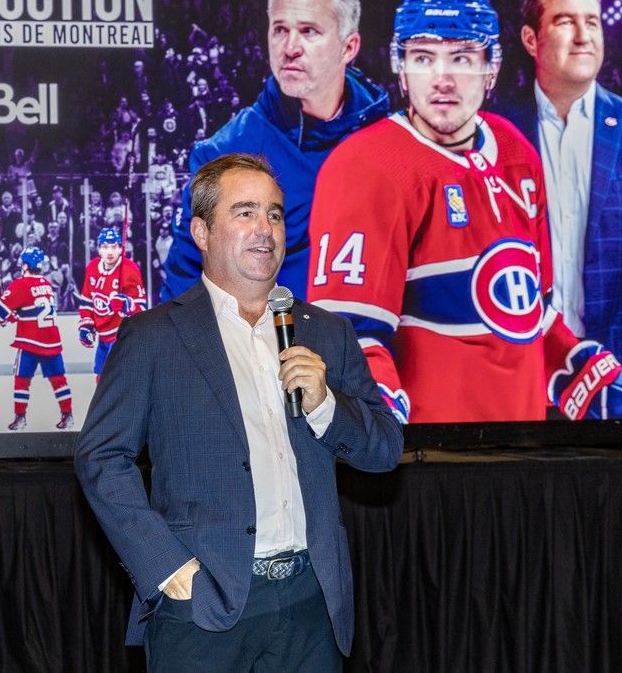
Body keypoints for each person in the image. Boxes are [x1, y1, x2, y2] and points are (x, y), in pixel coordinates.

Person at [75, 154, 403, 671]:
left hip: (310, 603)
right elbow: (101, 459)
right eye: (245, 212)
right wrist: (169, 570)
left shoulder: (326, 331)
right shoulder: (154, 336)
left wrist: (326, 407)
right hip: (203, 606)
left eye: (274, 214)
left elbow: (385, 451)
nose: (265, 230)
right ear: (202, 232)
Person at [306, 0, 622, 423]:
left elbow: (530, 316)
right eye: (424, 57)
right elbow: (348, 336)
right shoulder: (365, 166)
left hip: (522, 448)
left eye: (463, 58)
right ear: (401, 65)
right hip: (432, 465)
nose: (443, 78)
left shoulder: (516, 154)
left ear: (491, 66)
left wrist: (582, 373)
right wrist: (379, 422)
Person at [160, 0, 390, 301]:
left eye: (309, 31)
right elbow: (184, 294)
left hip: (368, 349)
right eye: (280, 29)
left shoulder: (389, 141)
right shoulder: (224, 154)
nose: (290, 47)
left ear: (349, 47)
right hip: (273, 350)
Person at [515, 0, 622, 383]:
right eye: (564, 21)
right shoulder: (497, 132)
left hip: (615, 370)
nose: (583, 36)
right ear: (530, 39)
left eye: (592, 22)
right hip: (523, 372)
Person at [0, 246, 73, 430]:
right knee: (59, 379)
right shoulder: (46, 284)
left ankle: (20, 417)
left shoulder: (20, 285)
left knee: (21, 380)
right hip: (51, 340)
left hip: (30, 342)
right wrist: (14, 313)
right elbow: (30, 310)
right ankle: (68, 415)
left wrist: (4, 306)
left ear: (25, 265)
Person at [77, 228, 145, 378]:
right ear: (99, 249)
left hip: (122, 336)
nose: (110, 252)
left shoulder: (130, 270)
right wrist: (86, 326)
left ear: (121, 249)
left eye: (114, 247)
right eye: (105, 247)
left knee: (115, 381)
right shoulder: (93, 268)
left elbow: (142, 309)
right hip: (103, 335)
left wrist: (127, 304)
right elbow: (87, 302)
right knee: (100, 379)